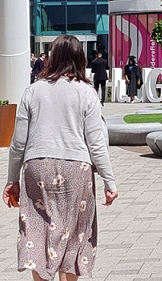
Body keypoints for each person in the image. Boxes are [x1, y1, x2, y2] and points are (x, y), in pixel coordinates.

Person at [3, 35, 118, 280]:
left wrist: (12, 179)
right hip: (76, 168)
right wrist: (109, 181)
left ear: (52, 58)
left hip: (37, 166)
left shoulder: (33, 91)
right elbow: (97, 143)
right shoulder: (86, 93)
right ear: (80, 59)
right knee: (74, 234)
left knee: (36, 229)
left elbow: (18, 142)